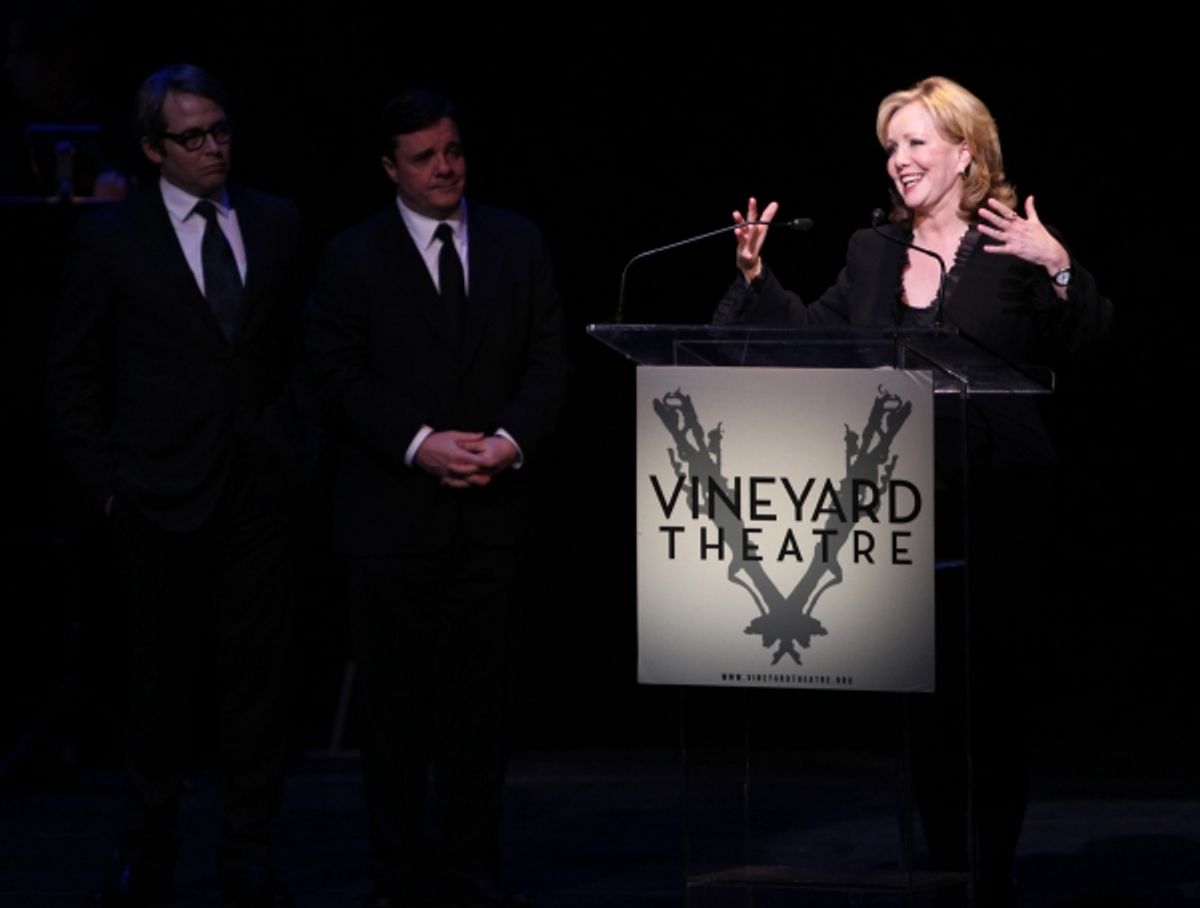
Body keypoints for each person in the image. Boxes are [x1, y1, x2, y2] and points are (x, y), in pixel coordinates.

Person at [712, 76, 1112, 904]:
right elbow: (818, 337)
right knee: (925, 708)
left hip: (1000, 505)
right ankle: (942, 871)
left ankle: (992, 878)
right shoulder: (873, 252)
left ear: (966, 152)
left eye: (918, 142)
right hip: (899, 512)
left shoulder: (1014, 247)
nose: (900, 161)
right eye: (892, 146)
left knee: (993, 706)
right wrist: (756, 279)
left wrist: (1064, 269)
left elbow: (1090, 346)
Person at [48, 63, 308, 908]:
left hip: (257, 491)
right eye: (192, 137)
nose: (213, 148)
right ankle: (147, 850)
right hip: (158, 497)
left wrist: (292, 450)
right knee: (158, 690)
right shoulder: (112, 239)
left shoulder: (273, 223)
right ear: (154, 149)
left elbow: (303, 355)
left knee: (256, 691)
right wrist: (110, 490)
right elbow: (75, 375)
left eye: (220, 130)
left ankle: (250, 851)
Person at [309, 89, 567, 908]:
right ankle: (396, 868)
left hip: (492, 515)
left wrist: (508, 441)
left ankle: (471, 861)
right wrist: (421, 445)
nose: (445, 167)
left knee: (478, 707)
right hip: (391, 519)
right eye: (424, 157)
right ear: (391, 168)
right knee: (394, 710)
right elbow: (337, 375)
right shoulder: (352, 256)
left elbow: (549, 361)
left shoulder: (517, 242)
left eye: (452, 150)